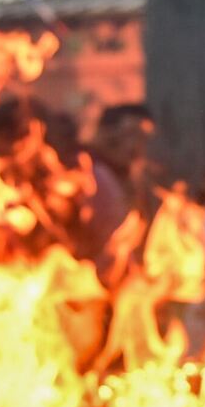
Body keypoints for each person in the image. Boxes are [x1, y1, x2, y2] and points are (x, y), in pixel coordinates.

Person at [77, 103, 154, 280]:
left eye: (143, 138)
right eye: (130, 135)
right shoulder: (91, 176)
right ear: (105, 133)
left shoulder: (131, 179)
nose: (136, 146)